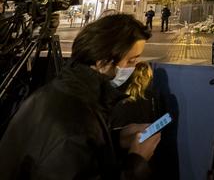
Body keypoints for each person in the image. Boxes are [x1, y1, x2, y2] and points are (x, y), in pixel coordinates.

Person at [0, 13, 160, 179]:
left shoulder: (63, 92)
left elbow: (78, 155)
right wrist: (137, 161)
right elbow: (71, 144)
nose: (133, 68)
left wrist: (115, 140)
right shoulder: (74, 126)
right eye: (131, 61)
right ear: (103, 63)